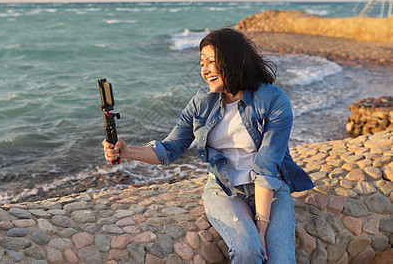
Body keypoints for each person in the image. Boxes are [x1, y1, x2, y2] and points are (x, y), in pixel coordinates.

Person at [103, 27, 314, 263]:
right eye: (202, 63)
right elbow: (170, 149)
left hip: (271, 189)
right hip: (224, 190)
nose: (205, 70)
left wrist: (261, 228)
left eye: (212, 62)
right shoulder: (201, 103)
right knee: (247, 251)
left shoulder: (274, 100)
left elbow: (267, 165)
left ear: (235, 61)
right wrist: (127, 151)